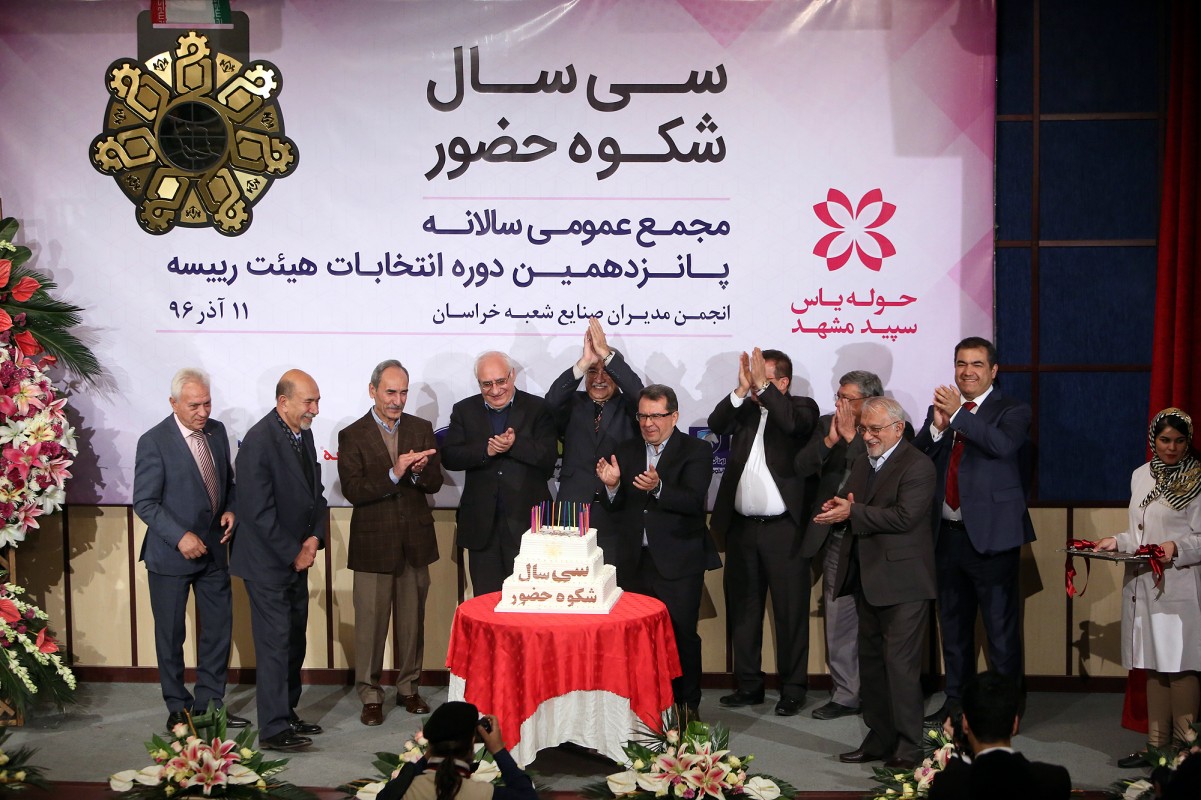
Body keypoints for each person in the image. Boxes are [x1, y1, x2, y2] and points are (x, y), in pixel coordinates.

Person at [913, 336, 1034, 723]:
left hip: (993, 538)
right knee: (953, 628)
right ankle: (955, 704)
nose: (967, 371)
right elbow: (916, 458)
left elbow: (1002, 445)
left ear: (993, 371)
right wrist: (936, 429)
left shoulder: (1012, 409)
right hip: (946, 537)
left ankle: (1004, 712)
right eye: (961, 364)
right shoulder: (942, 410)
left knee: (1000, 632)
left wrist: (959, 416)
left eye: (977, 364)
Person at [816, 397, 936, 769]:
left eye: (875, 429)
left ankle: (909, 745)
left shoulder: (918, 465)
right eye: (864, 429)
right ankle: (880, 737)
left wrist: (853, 511)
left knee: (900, 668)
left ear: (898, 429)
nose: (867, 436)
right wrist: (839, 507)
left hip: (904, 584)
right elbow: (852, 501)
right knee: (871, 666)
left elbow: (905, 517)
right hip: (867, 578)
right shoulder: (863, 462)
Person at [132, 368, 248, 731]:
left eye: (207, 403)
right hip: (170, 555)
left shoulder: (217, 432)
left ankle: (210, 704)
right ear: (173, 403)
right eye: (194, 405)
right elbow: (145, 502)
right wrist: (180, 536)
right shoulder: (153, 441)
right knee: (171, 635)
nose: (203, 412)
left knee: (218, 629)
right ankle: (177, 706)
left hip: (214, 551)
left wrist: (231, 509)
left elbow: (229, 484)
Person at [597, 384, 721, 720]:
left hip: (679, 562)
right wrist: (612, 487)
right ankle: (642, 705)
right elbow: (617, 508)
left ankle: (686, 706)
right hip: (635, 562)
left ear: (674, 416)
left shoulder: (696, 450)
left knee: (681, 636)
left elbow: (693, 502)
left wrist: (659, 488)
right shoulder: (625, 450)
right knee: (636, 638)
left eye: (656, 416)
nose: (648, 423)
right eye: (643, 416)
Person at [796, 370, 912, 721]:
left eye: (847, 398)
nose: (840, 404)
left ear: (869, 399)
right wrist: (831, 440)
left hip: (880, 540)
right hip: (838, 539)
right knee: (840, 618)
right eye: (838, 396)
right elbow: (800, 467)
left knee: (885, 621)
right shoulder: (827, 424)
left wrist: (852, 439)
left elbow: (877, 475)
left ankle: (884, 694)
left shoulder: (895, 428)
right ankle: (846, 694)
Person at [708, 348, 818, 716]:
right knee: (744, 610)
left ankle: (793, 689)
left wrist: (764, 390)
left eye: (765, 379)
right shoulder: (745, 410)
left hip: (784, 531)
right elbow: (716, 422)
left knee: (790, 613)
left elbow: (793, 425)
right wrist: (742, 390)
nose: (757, 386)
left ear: (783, 383)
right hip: (742, 530)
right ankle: (749, 685)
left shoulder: (803, 408)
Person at [337, 360, 442, 726]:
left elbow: (434, 483)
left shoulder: (421, 428)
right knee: (370, 625)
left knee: (412, 624)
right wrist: (394, 473)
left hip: (415, 543)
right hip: (373, 545)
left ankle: (409, 688)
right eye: (390, 392)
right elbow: (353, 490)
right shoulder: (352, 434)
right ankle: (370, 694)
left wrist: (418, 473)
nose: (397, 400)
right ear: (373, 391)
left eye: (403, 392)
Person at [1094, 408, 1201, 766]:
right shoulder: (1142, 475)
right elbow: (1139, 534)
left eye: (1179, 441)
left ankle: (1185, 750)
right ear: (1154, 440)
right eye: (1165, 440)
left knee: (1181, 665)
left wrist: (1176, 547)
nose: (1172, 447)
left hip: (1179, 585)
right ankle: (1156, 747)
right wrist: (1116, 541)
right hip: (1145, 582)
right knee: (1153, 664)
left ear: (1188, 442)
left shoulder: (1197, 478)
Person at [230, 369, 328, 751]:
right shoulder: (258, 441)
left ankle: (286, 712)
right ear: (283, 402)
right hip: (266, 563)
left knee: (293, 640)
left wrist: (314, 538)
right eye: (309, 401)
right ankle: (272, 729)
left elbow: (316, 495)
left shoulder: (303, 434)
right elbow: (257, 512)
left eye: (317, 401)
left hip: (297, 559)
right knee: (274, 644)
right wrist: (295, 552)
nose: (315, 409)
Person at [442, 352, 557, 595]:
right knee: (486, 603)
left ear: (512, 375)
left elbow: (548, 457)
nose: (495, 390)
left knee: (529, 601)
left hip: (528, 526)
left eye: (501, 381)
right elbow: (450, 456)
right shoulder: (464, 410)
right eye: (487, 384)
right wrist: (486, 450)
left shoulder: (538, 408)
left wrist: (514, 445)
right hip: (482, 529)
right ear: (478, 383)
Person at [544, 319, 644, 583]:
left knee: (612, 585)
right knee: (570, 584)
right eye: (592, 372)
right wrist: (583, 362)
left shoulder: (630, 407)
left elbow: (640, 395)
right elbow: (551, 402)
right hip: (571, 512)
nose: (599, 379)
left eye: (606, 371)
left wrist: (607, 355)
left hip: (616, 512)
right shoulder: (572, 404)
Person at [928, 671, 1071, 800]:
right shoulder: (1054, 780)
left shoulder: (948, 787)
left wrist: (959, 748)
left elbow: (952, 782)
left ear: (965, 724)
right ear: (1015, 724)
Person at [377, 701, 536, 800]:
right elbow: (528, 796)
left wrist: (427, 756)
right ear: (472, 743)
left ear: (429, 744)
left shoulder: (405, 790)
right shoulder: (484, 794)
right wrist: (499, 750)